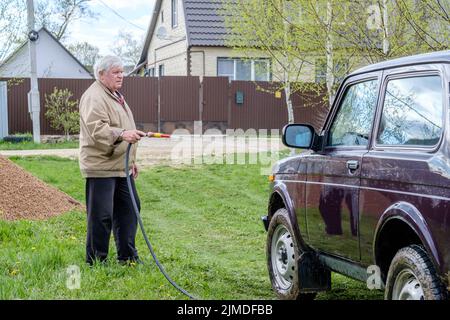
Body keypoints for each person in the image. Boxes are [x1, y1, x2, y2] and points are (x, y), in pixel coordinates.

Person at [79, 55, 146, 265]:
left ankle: (127, 257)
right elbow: (96, 129)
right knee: (101, 216)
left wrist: (131, 160)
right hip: (101, 167)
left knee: (130, 208)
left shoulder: (114, 95)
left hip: (120, 167)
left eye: (122, 71)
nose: (121, 76)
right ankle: (96, 260)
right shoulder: (94, 96)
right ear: (101, 74)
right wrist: (122, 134)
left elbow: (123, 124)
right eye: (115, 72)